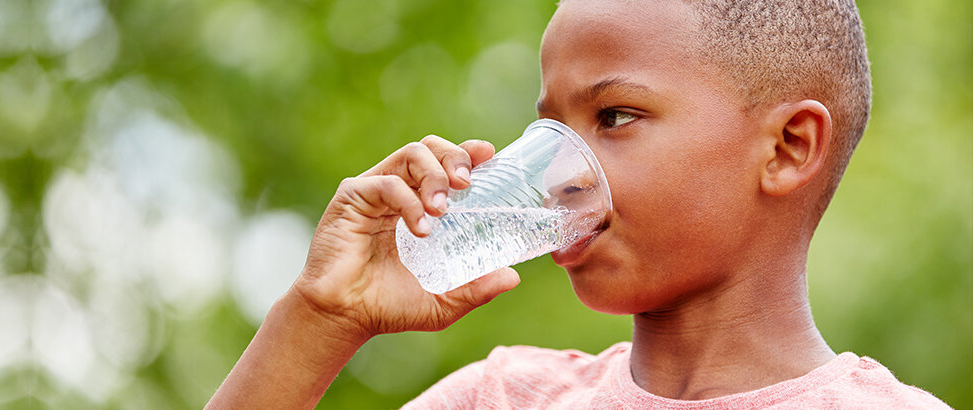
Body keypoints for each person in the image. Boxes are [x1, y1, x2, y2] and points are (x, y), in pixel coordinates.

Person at [207, 0, 952, 408]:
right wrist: (318, 320)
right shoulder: (503, 399)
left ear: (789, 146)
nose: (560, 171)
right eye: (549, 128)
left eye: (615, 117)